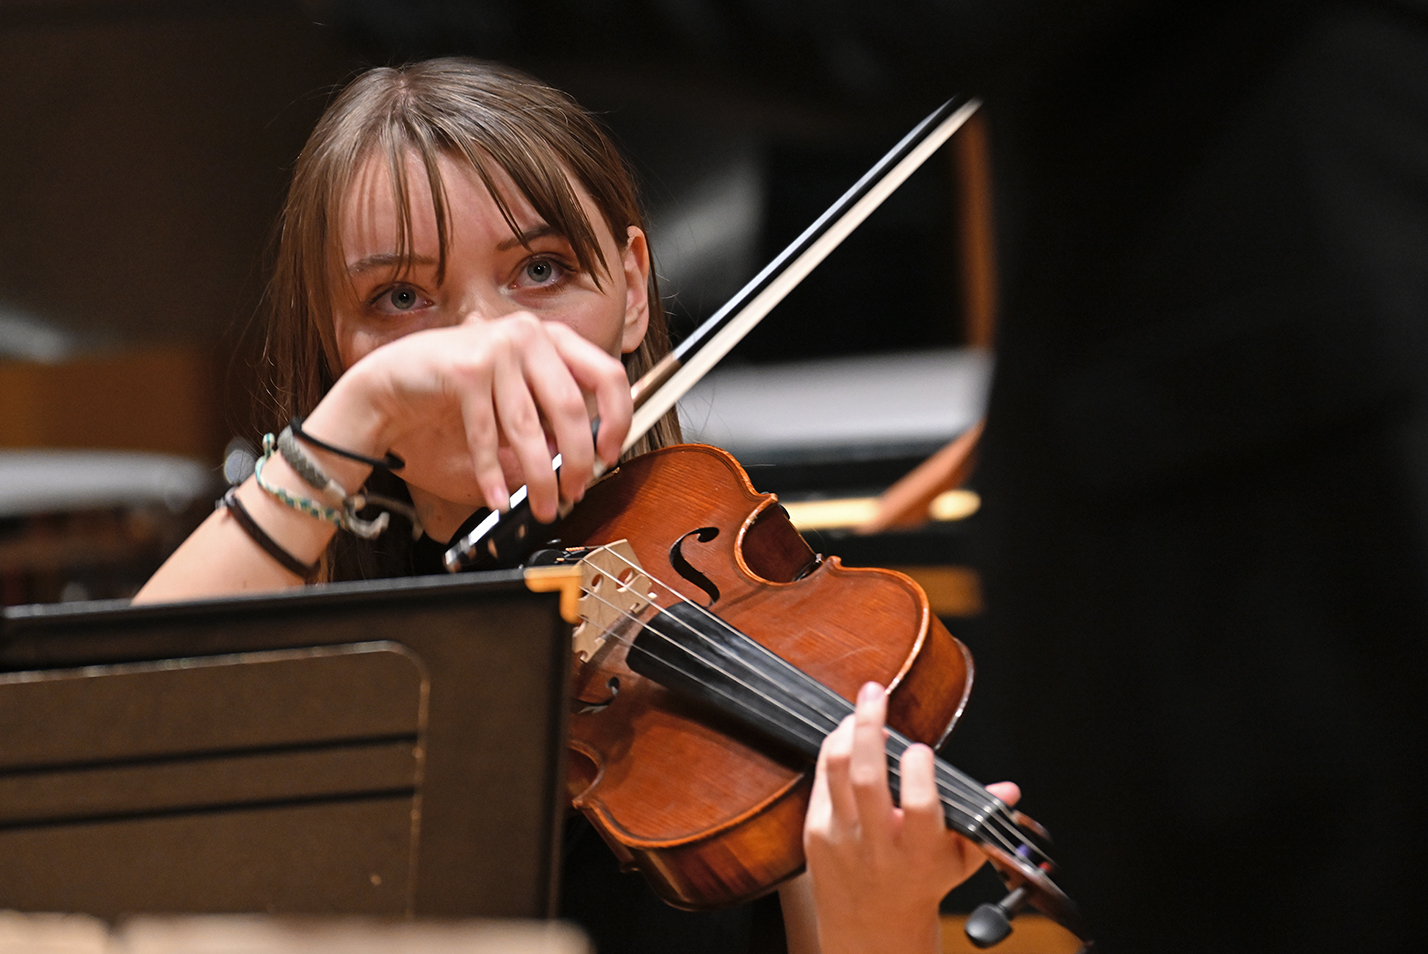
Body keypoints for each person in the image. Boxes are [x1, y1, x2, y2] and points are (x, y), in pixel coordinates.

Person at [135, 58, 1000, 952]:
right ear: (334, 340)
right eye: (400, 298)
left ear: (631, 290)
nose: (485, 347)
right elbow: (118, 736)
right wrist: (361, 411)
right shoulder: (284, 618)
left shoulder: (756, 616)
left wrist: (882, 918)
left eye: (541, 270)